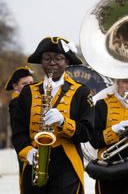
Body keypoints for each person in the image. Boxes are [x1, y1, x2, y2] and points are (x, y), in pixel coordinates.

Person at [11, 36, 94, 194]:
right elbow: (18, 131)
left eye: (59, 58)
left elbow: (87, 132)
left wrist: (64, 122)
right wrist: (27, 151)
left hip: (66, 163)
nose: (52, 62)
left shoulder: (81, 92)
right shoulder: (28, 93)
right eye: (47, 58)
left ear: (67, 62)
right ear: (41, 61)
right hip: (35, 161)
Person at [90, 76, 128, 194]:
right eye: (125, 81)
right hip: (109, 167)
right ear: (117, 83)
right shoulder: (102, 105)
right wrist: (114, 130)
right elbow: (94, 141)